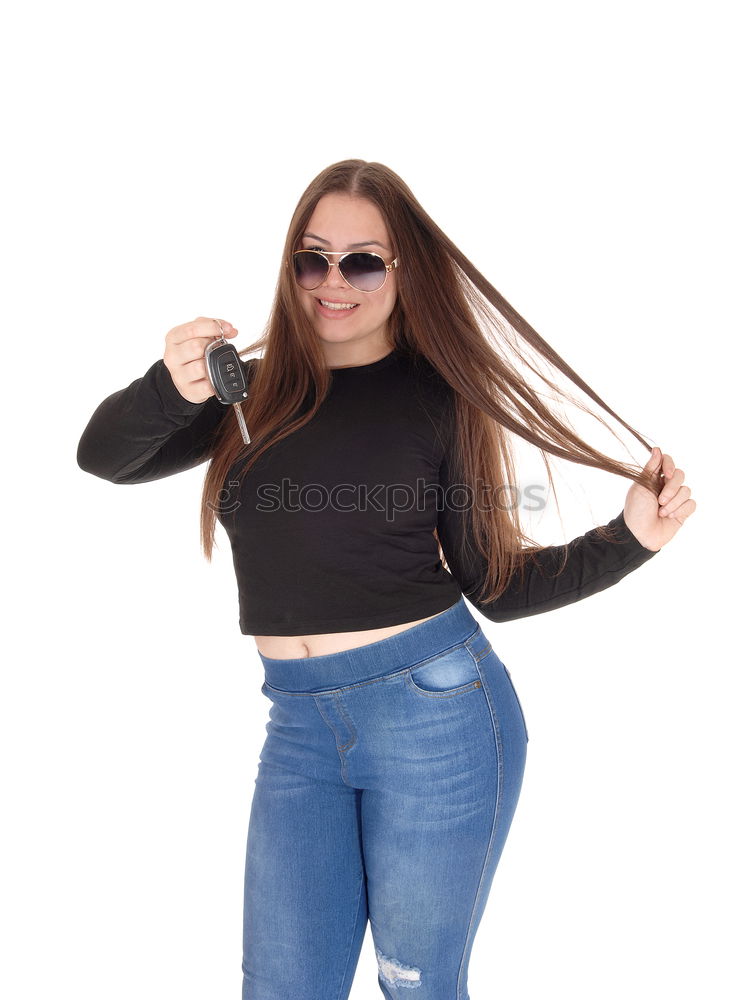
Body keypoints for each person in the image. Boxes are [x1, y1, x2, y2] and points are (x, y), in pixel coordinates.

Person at [77, 158, 695, 1000]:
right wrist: (167, 385)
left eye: (363, 261)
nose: (334, 282)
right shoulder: (254, 394)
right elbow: (104, 456)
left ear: (404, 272)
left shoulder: (441, 399)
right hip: (296, 727)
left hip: (436, 718)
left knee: (416, 984)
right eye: (312, 257)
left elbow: (499, 587)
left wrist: (630, 538)